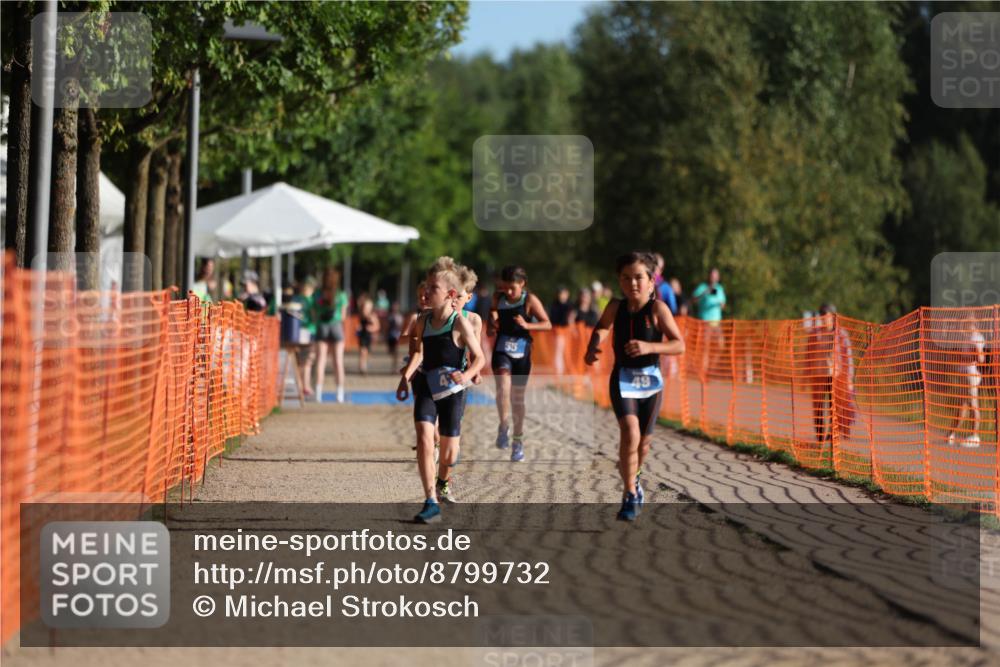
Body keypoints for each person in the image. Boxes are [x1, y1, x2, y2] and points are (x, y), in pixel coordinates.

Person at [584, 252, 684, 522]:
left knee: (645, 443)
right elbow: (602, 327)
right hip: (623, 379)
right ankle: (629, 492)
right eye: (626, 278)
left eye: (639, 277)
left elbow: (679, 344)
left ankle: (635, 477)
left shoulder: (658, 310)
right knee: (630, 433)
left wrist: (650, 346)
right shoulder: (615, 307)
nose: (633, 284)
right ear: (620, 282)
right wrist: (595, 345)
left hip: (651, 381)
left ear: (652, 282)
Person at [396, 257, 485, 524]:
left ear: (450, 294)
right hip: (425, 384)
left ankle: (443, 478)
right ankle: (430, 500)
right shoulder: (422, 321)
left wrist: (467, 374)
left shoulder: (461, 323)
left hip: (454, 391)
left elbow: (479, 357)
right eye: (425, 287)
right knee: (424, 437)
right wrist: (406, 377)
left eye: (432, 288)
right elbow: (418, 354)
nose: (425, 292)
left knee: (449, 454)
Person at [487, 265, 552, 462]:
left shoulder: (530, 300)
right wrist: (492, 323)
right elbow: (493, 313)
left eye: (511, 288)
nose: (507, 291)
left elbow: (547, 324)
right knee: (503, 388)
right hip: (502, 349)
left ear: (522, 284)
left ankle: (517, 441)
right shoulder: (498, 298)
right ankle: (503, 425)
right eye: (504, 287)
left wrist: (527, 325)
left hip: (522, 351)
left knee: (517, 399)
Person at [804, 303, 855, 450]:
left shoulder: (841, 334)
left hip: (836, 375)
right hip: (818, 374)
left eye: (825, 316)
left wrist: (849, 378)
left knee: (835, 406)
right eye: (821, 316)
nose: (823, 319)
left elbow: (848, 357)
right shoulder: (815, 333)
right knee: (819, 406)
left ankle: (834, 435)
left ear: (833, 316)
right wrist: (806, 373)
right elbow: (808, 354)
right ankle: (820, 436)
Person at [946, 311, 986, 448]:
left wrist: (970, 355)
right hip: (962, 374)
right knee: (962, 405)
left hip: (971, 375)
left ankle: (975, 435)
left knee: (972, 403)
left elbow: (981, 359)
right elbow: (954, 356)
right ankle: (951, 433)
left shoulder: (976, 337)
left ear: (972, 323)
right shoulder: (964, 337)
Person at [315, 268, 349, 403]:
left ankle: (318, 393)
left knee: (320, 361)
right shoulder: (341, 295)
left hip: (322, 326)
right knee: (338, 362)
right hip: (336, 326)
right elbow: (343, 316)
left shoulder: (318, 294)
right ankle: (339, 393)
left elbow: (314, 310)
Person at [691, 268, 727, 378]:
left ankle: (710, 368)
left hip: (717, 323)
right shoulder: (702, 287)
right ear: (709, 276)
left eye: (715, 275)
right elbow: (693, 300)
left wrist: (721, 303)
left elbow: (723, 305)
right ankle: (703, 372)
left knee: (720, 346)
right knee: (705, 348)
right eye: (712, 275)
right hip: (705, 323)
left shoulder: (720, 289)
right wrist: (704, 293)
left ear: (718, 277)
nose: (713, 277)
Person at [292, 276, 319, 397]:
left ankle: (303, 386)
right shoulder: (311, 300)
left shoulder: (299, 299)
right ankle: (303, 386)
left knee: (304, 361)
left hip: (303, 331)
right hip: (305, 331)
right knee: (304, 361)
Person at [549, 287, 573, 375]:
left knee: (561, 353)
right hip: (557, 331)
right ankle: (558, 373)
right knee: (557, 353)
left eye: (563, 294)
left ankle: (561, 372)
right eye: (560, 294)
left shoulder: (569, 306)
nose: (561, 296)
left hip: (565, 332)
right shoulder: (555, 305)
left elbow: (569, 320)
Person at [356, 295, 380, 376]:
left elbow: (377, 326)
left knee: (366, 353)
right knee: (362, 351)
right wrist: (358, 328)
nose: (366, 310)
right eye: (365, 308)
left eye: (368, 308)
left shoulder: (372, 316)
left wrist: (371, 328)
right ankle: (362, 368)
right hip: (362, 335)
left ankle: (364, 365)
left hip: (368, 336)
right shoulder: (361, 315)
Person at [386, 301, 404, 371]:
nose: (395, 308)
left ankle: (394, 367)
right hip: (390, 335)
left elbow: (401, 326)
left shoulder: (399, 316)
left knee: (396, 352)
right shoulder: (390, 316)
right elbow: (387, 326)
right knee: (390, 351)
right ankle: (394, 364)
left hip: (397, 336)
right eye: (394, 306)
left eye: (396, 306)